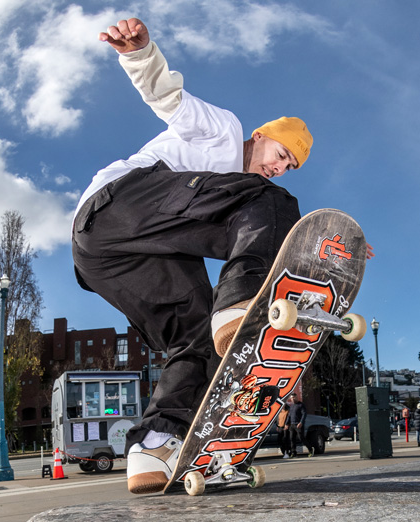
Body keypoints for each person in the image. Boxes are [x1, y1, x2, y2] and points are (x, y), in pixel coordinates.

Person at [72, 17, 371, 494]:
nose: (278, 166)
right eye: (279, 152)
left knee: (193, 340)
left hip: (113, 258)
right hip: (119, 207)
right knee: (270, 203)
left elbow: (270, 234)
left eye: (288, 166)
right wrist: (139, 54)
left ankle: (152, 447)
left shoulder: (234, 194)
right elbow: (168, 98)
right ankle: (238, 303)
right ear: (261, 134)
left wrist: (334, 246)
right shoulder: (225, 132)